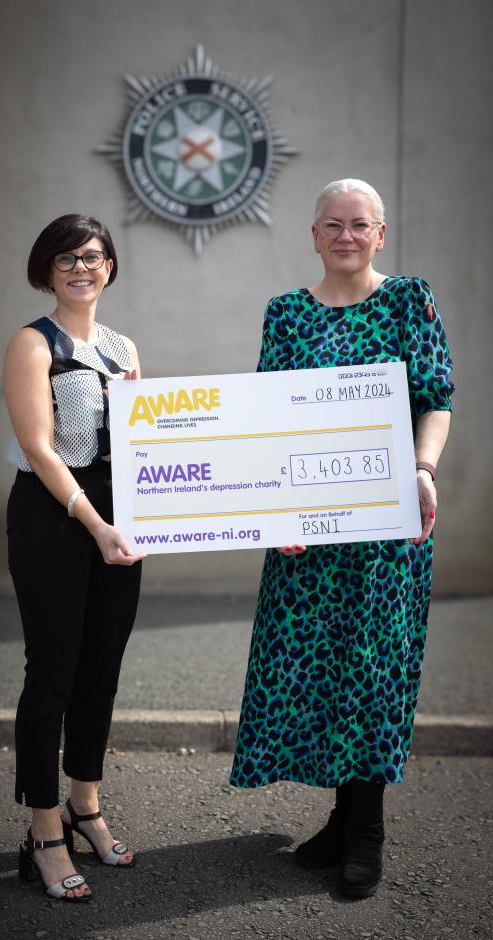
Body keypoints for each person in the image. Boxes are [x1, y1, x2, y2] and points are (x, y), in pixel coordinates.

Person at [229, 179, 453, 898]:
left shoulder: (408, 299)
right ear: (314, 234)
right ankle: (340, 816)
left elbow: (436, 399)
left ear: (380, 234)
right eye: (334, 224)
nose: (347, 235)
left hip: (386, 530)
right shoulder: (287, 314)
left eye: (360, 225)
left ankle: (367, 832)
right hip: (308, 536)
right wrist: (276, 513)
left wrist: (422, 469)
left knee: (373, 673)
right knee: (319, 674)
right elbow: (268, 418)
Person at [4, 214, 145, 902]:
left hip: (119, 522)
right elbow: (40, 447)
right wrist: (94, 523)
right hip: (55, 518)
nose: (81, 268)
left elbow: (152, 444)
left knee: (101, 672)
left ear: (109, 266)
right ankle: (43, 832)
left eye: (92, 257)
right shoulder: (33, 345)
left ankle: (85, 805)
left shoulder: (123, 347)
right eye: (66, 259)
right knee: (52, 675)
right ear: (46, 269)